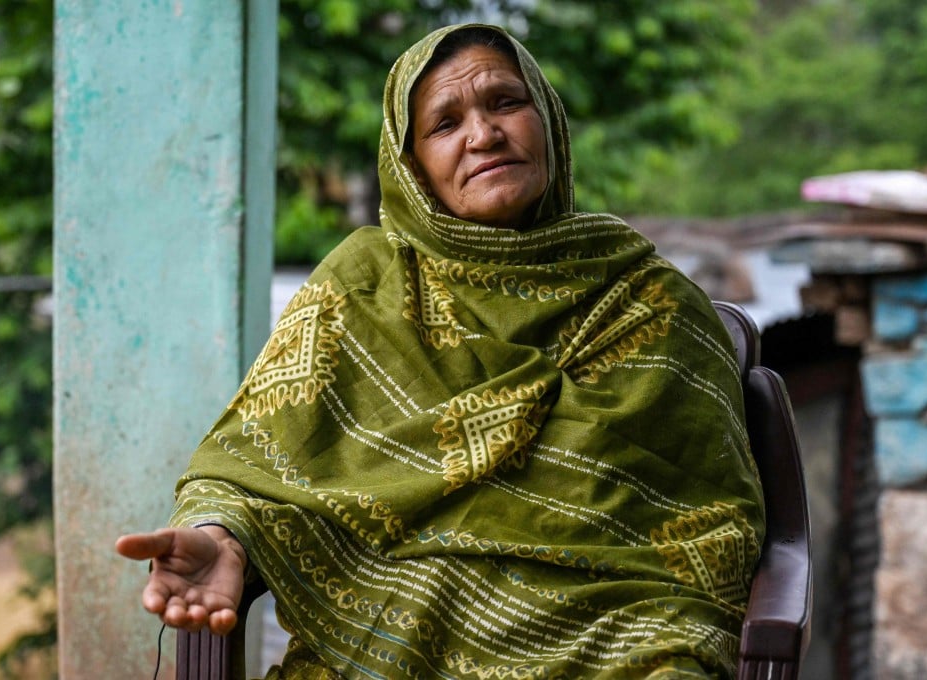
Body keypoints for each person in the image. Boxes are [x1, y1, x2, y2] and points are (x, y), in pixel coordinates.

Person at [117, 23, 764, 679]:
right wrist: (221, 539)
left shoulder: (652, 302)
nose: (483, 134)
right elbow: (254, 465)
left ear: (548, 121)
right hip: (389, 641)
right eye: (444, 123)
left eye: (506, 102)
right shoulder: (363, 286)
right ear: (412, 166)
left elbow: (711, 529)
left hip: (621, 636)